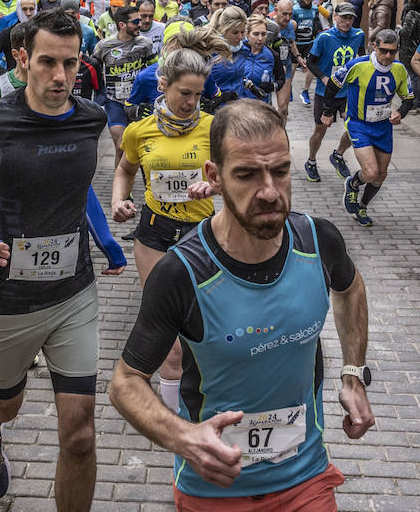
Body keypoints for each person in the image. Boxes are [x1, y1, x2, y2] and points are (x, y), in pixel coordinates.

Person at [108, 99, 375, 511]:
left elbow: (350, 288)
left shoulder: (318, 241)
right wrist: (184, 438)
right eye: (247, 175)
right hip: (214, 491)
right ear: (214, 176)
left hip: (307, 479)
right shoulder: (183, 272)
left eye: (281, 171)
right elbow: (125, 382)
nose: (269, 191)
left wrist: (353, 373)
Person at [0, 9, 124, 508]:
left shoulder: (91, 118)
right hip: (7, 300)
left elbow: (79, 188)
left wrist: (104, 237)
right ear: (22, 59)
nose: (60, 77)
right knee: (3, 406)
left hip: (73, 294)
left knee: (79, 434)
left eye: (71, 64)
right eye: (48, 63)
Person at [110, 33, 221, 414]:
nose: (191, 103)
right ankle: (175, 422)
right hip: (155, 234)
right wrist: (118, 200)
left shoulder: (213, 127)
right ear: (164, 85)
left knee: (205, 327)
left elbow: (234, 177)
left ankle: (205, 398)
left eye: (197, 95)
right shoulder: (140, 131)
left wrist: (214, 184)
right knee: (169, 336)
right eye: (184, 93)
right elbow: (124, 170)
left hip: (203, 235)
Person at [336, 29, 413, 227]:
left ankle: (362, 206)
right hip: (358, 124)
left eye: (392, 52)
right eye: (384, 51)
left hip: (383, 127)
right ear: (374, 47)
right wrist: (329, 110)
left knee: (381, 174)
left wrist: (400, 112)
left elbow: (409, 99)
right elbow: (334, 84)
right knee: (370, 172)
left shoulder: (399, 69)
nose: (388, 56)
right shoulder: (358, 65)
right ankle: (353, 184)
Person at [303, 2, 365, 183]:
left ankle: (338, 155)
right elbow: (311, 62)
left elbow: (361, 58)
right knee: (321, 129)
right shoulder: (324, 37)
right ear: (335, 17)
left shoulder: (359, 35)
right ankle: (311, 161)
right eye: (343, 17)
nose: (347, 21)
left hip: (348, 91)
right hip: (325, 92)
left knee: (353, 127)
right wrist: (323, 78)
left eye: (350, 18)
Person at [92, 4, 159, 164]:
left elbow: (153, 71)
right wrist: (99, 92)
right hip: (114, 101)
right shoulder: (104, 46)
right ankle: (123, 187)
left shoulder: (146, 44)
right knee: (121, 146)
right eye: (136, 21)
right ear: (122, 25)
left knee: (141, 147)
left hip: (137, 101)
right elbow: (93, 68)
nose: (140, 24)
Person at [0, 0, 37, 77]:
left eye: (31, 9)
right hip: (15, 83)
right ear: (18, 10)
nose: (28, 13)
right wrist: (4, 75)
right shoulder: (9, 32)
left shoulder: (41, 30)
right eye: (24, 9)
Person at [269, 0, 303, 125]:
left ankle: (281, 134)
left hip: (285, 70)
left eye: (290, 14)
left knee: (283, 109)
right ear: (276, 11)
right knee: (266, 108)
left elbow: (291, 42)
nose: (288, 17)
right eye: (284, 14)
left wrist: (298, 56)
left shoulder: (291, 25)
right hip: (270, 70)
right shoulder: (268, 26)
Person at [239, 14, 282, 105]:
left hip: (261, 105)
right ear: (247, 34)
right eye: (256, 34)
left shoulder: (272, 55)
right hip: (239, 104)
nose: (260, 38)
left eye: (263, 34)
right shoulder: (238, 51)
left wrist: (272, 86)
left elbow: (281, 79)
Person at [292, 0, 322, 105]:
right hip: (296, 43)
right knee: (293, 67)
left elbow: (318, 22)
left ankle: (305, 91)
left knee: (311, 66)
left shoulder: (315, 9)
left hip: (310, 42)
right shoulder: (295, 9)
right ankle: (287, 88)